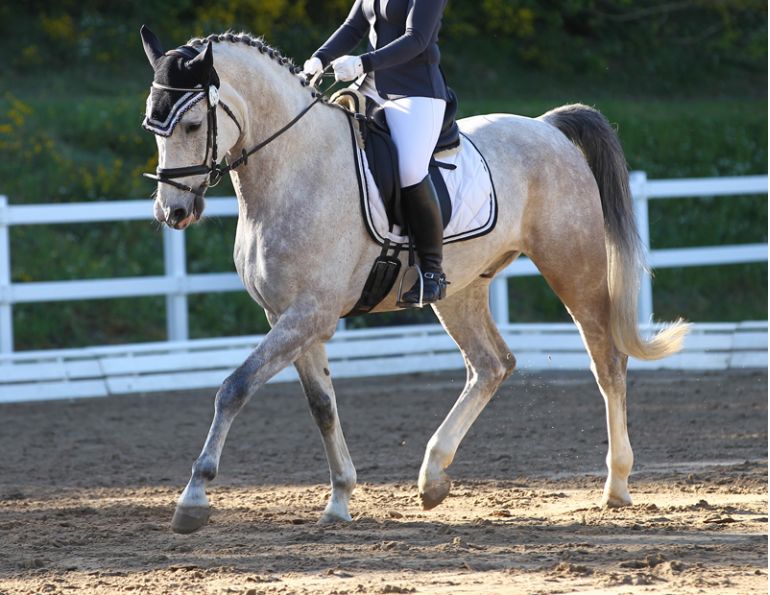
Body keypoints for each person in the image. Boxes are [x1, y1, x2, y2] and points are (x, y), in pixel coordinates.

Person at [303, 0, 449, 306]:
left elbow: (417, 39)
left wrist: (362, 63)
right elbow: (353, 26)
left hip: (415, 91)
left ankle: (433, 272)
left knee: (410, 170)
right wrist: (320, 58)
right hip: (369, 87)